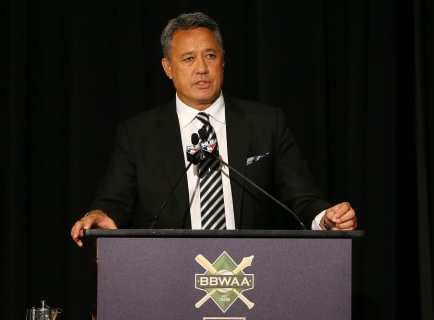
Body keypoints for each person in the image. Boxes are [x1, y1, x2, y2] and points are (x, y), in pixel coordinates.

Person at [70, 11, 357, 248]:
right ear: (167, 67)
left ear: (223, 60)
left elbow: (301, 197)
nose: (201, 69)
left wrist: (325, 218)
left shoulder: (266, 123)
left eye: (210, 55)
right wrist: (99, 215)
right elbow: (113, 201)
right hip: (169, 275)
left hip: (252, 272)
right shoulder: (137, 134)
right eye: (188, 59)